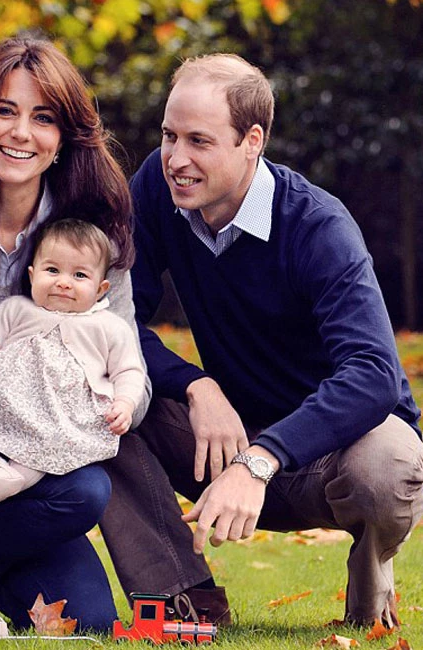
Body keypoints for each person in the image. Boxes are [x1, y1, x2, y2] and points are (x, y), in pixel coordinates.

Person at [100, 53, 423, 629]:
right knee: (97, 394)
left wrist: (262, 458)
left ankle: (369, 596)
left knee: (392, 463)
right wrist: (195, 385)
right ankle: (184, 598)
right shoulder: (156, 186)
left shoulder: (318, 226)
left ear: (252, 140)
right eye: (169, 136)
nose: (176, 159)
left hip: (329, 456)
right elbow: (110, 322)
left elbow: (374, 372)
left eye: (199, 141)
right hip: (218, 440)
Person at [0, 35, 151, 633]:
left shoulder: (90, 238)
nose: (21, 133)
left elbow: (129, 363)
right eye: (5, 111)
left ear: (62, 138)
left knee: (89, 610)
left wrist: (111, 402)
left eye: (42, 118)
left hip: (42, 474)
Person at [0, 218, 147, 506]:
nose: (63, 282)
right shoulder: (17, 309)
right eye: (52, 270)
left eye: (79, 276)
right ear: (31, 274)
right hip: (5, 403)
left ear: (101, 289)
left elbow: (128, 370)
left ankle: (15, 477)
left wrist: (125, 403)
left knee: (51, 443)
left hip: (63, 416)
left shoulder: (109, 327)